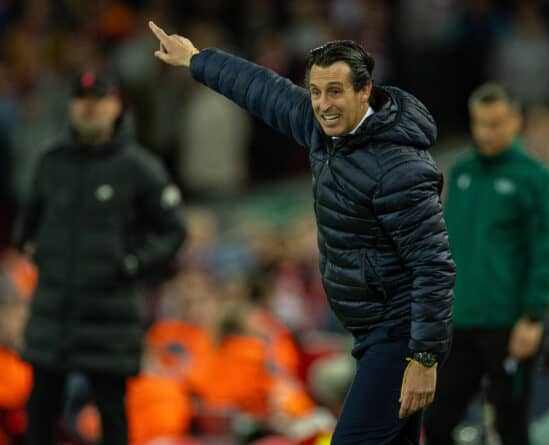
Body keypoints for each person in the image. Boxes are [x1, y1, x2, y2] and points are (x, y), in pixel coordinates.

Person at [149, 21, 455, 445]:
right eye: (315, 91)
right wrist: (198, 60)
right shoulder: (323, 131)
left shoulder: (399, 167)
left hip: (398, 335)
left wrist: (424, 356)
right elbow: (262, 89)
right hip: (374, 332)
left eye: (335, 91)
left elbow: (434, 265)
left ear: (364, 92)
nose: (323, 104)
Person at [12, 70, 186, 445]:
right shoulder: (51, 161)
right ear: (72, 106)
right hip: (52, 312)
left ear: (116, 106)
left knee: (111, 416)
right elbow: (26, 220)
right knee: (40, 413)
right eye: (82, 101)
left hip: (110, 315)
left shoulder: (140, 167)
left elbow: (174, 230)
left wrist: (134, 262)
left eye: (99, 101)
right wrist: (30, 246)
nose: (89, 110)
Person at [423, 83, 549, 445]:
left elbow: (545, 251)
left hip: (509, 325)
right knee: (438, 421)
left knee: (510, 426)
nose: (485, 133)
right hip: (460, 322)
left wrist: (533, 316)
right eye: (479, 123)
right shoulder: (463, 171)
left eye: (495, 124)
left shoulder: (535, 179)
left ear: (515, 121)